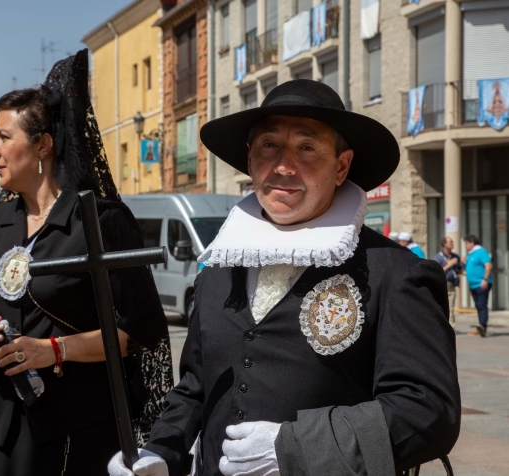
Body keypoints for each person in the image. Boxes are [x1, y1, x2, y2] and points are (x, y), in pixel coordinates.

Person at [109, 80, 461, 476]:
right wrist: (160, 452)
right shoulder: (219, 268)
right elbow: (195, 388)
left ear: (341, 166)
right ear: (249, 158)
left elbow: (428, 410)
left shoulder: (395, 272)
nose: (283, 166)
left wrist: (297, 448)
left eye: (307, 148)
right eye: (269, 145)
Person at [0, 50, 173, 476]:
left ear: (42, 144)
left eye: (3, 137)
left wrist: (53, 349)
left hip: (75, 424)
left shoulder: (100, 220)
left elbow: (140, 330)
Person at [463, 234, 493, 337]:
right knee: (478, 305)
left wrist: (485, 279)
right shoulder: (470, 254)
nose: (465, 246)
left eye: (466, 243)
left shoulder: (481, 252)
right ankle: (481, 326)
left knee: (482, 305)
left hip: (481, 283)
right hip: (473, 285)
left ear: (472, 243)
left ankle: (483, 326)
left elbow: (488, 265)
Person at [433, 237, 462, 329]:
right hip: (443, 283)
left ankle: (451, 327)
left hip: (452, 283)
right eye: (450, 242)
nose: (453, 243)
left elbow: (459, 270)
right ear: (444, 244)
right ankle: (444, 326)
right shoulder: (438, 257)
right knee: (443, 305)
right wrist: (449, 264)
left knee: (451, 305)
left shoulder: (455, 256)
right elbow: (437, 271)